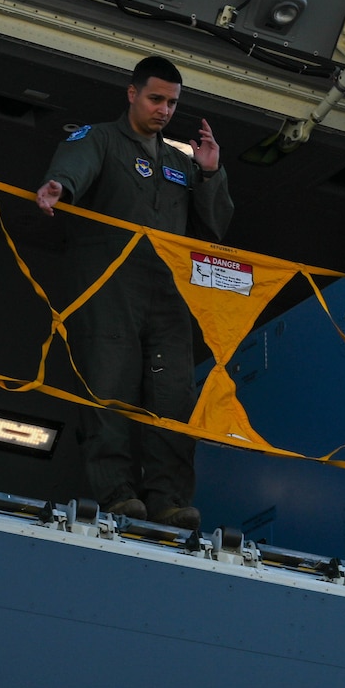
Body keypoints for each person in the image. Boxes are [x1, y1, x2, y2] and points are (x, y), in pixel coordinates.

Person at [36, 55, 234, 529]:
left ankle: (168, 497)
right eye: (155, 98)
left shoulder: (178, 162)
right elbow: (74, 166)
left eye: (172, 102)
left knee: (173, 397)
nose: (164, 110)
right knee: (109, 385)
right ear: (132, 94)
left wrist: (209, 174)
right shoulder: (100, 138)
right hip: (108, 286)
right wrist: (59, 185)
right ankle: (117, 493)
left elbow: (216, 228)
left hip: (167, 295)